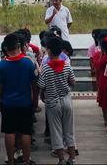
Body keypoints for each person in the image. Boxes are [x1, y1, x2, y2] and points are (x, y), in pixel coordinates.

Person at [0, 33, 37, 165]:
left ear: (6, 48)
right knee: (25, 132)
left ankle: (11, 160)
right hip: (25, 103)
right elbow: (34, 85)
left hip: (8, 103)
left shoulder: (1, 65)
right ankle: (26, 160)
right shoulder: (28, 63)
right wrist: (35, 101)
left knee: (9, 132)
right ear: (18, 46)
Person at [37, 36, 76, 165]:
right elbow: (73, 82)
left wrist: (42, 96)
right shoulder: (67, 66)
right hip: (66, 100)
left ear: (48, 51)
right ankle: (72, 158)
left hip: (52, 102)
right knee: (69, 131)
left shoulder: (46, 68)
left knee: (56, 132)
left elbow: (41, 85)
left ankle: (61, 160)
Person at [95, 36, 107, 133]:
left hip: (104, 80)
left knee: (106, 104)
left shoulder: (105, 57)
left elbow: (98, 66)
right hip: (103, 79)